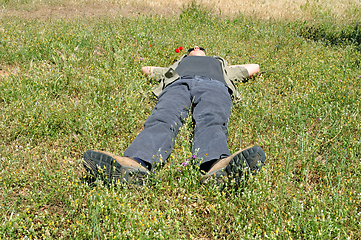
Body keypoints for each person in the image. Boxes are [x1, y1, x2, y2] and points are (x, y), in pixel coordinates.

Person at [83, 46, 266, 186]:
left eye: (199, 48)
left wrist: (224, 65)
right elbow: (146, 69)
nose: (195, 48)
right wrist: (174, 66)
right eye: (191, 49)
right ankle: (136, 163)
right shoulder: (178, 64)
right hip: (178, 85)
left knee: (212, 118)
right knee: (163, 117)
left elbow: (254, 67)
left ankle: (216, 165)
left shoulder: (219, 63)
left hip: (213, 85)